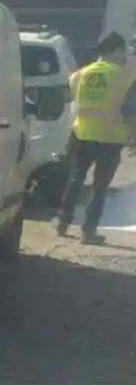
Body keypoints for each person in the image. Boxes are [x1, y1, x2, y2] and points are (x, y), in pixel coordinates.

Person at [58, 32, 136, 242]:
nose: (124, 57)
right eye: (123, 52)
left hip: (81, 134)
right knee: (100, 188)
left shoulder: (79, 75)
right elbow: (130, 111)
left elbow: (71, 100)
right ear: (115, 51)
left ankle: (63, 222)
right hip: (110, 139)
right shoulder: (125, 77)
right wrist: (133, 136)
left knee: (75, 179)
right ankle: (88, 231)